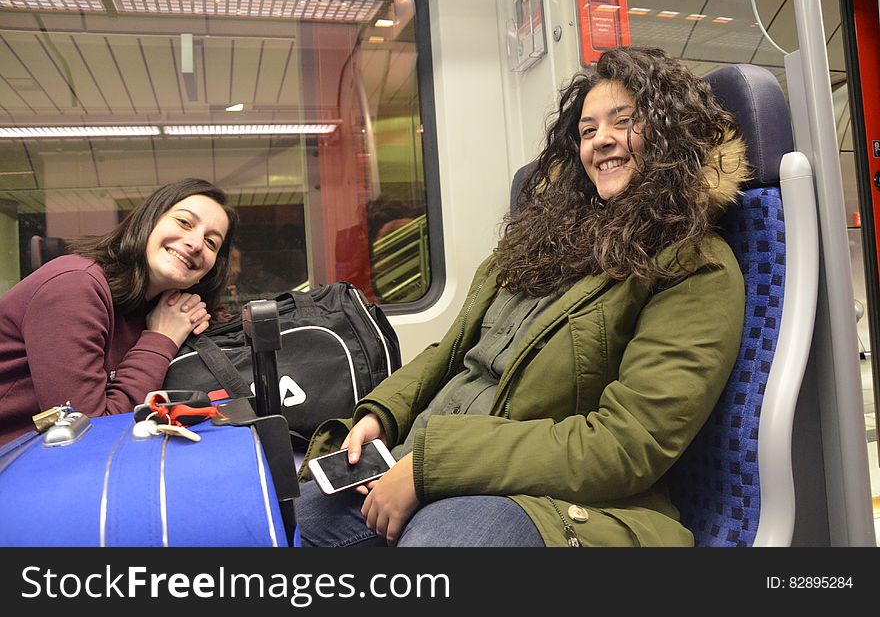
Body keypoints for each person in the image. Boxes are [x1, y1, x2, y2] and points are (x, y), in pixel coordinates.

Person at [295, 46, 749, 547]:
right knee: (301, 517)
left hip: (566, 501)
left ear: (671, 135)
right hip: (442, 460)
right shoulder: (541, 244)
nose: (602, 141)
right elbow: (449, 355)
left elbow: (625, 446)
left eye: (625, 121)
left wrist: (432, 464)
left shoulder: (693, 265)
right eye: (588, 130)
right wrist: (382, 414)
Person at [0, 178, 238, 446]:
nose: (195, 243)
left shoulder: (161, 310)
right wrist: (161, 340)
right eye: (184, 222)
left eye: (211, 242)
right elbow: (91, 431)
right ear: (147, 222)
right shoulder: (74, 286)